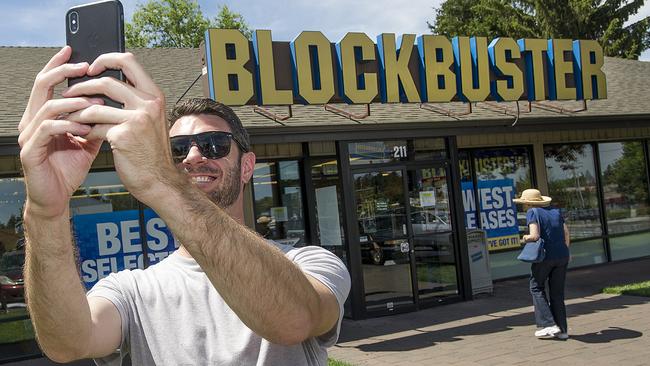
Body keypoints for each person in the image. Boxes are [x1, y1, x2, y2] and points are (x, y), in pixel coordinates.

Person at [18, 46, 351, 365]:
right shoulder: (133, 289)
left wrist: (161, 181)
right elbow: (67, 343)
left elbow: (292, 320)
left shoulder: (308, 265)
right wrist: (47, 211)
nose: (193, 157)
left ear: (247, 166)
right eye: (177, 149)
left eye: (213, 144)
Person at [514, 188, 571, 340]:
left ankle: (548, 324)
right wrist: (567, 251)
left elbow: (534, 235)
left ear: (528, 203)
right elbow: (566, 233)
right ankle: (563, 330)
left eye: (524, 203)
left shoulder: (533, 212)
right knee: (557, 294)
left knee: (536, 287)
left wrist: (525, 238)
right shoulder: (556, 212)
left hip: (545, 257)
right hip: (562, 256)